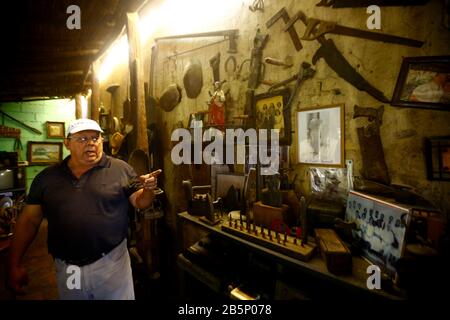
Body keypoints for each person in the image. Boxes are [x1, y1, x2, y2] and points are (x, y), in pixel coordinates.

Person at [7, 118, 161, 300]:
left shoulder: (121, 169)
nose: (90, 144)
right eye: (82, 139)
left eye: (95, 138)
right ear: (67, 143)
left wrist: (149, 189)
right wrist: (14, 264)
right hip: (69, 267)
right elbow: (29, 220)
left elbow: (141, 202)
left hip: (111, 264)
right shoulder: (46, 178)